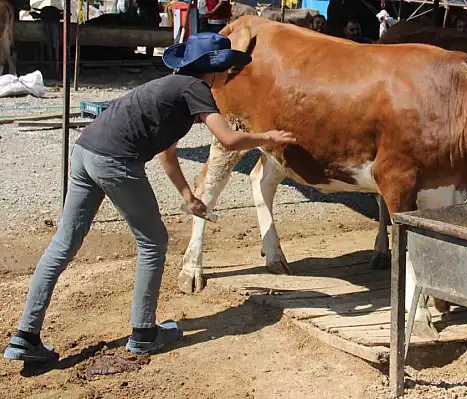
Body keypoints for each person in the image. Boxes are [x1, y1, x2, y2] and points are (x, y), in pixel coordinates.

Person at [3, 32, 296, 363]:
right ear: (212, 70)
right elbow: (228, 140)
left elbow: (167, 155)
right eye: (227, 69)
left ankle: (25, 336)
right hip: (115, 160)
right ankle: (143, 333)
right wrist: (266, 136)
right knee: (153, 242)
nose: (230, 76)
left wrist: (189, 196)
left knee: (64, 243)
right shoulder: (195, 89)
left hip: (85, 151)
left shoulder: (171, 90)